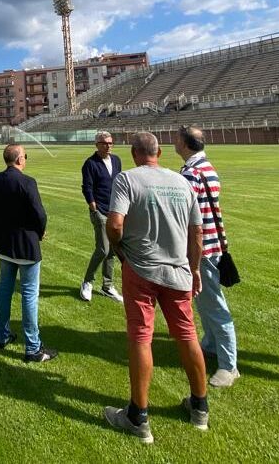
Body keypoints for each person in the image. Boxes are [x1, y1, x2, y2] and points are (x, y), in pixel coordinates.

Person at [102, 132, 208, 444]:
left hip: (141, 269)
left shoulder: (126, 179)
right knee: (187, 334)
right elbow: (197, 232)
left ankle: (138, 415)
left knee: (140, 336)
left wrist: (121, 251)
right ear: (159, 152)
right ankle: (200, 407)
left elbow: (115, 224)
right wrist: (195, 269)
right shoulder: (182, 182)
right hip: (178, 270)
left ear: (134, 153)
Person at [0, 144, 58, 363]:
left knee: (4, 288)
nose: (25, 160)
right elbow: (40, 215)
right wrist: (39, 233)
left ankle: (2, 336)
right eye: (25, 156)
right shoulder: (26, 182)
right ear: (19, 159)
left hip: (4, 245)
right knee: (29, 295)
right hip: (25, 247)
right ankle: (32, 348)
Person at [176, 125, 239, 388]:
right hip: (211, 244)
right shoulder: (206, 168)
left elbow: (189, 218)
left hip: (202, 247)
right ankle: (211, 344)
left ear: (186, 144)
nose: (174, 144)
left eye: (178, 141)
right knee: (204, 300)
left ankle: (229, 365)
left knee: (214, 304)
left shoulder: (192, 173)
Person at [79, 131, 123, 303]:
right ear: (97, 144)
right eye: (105, 143)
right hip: (100, 211)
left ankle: (108, 285)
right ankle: (87, 282)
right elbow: (87, 187)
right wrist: (94, 208)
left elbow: (119, 182)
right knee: (103, 249)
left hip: (115, 211)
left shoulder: (116, 160)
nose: (108, 146)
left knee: (112, 250)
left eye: (110, 143)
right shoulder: (90, 163)